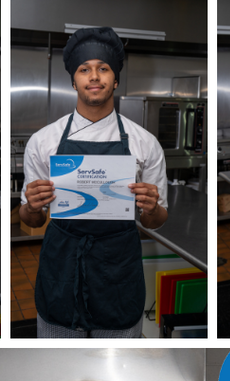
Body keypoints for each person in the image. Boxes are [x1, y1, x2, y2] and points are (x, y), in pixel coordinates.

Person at [21, 27, 169, 338]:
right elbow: (31, 220)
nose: (94, 76)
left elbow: (156, 221)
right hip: (61, 264)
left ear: (115, 80)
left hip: (118, 268)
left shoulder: (145, 143)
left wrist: (152, 206)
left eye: (103, 68)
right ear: (73, 80)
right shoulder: (43, 141)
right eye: (84, 69)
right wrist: (31, 207)